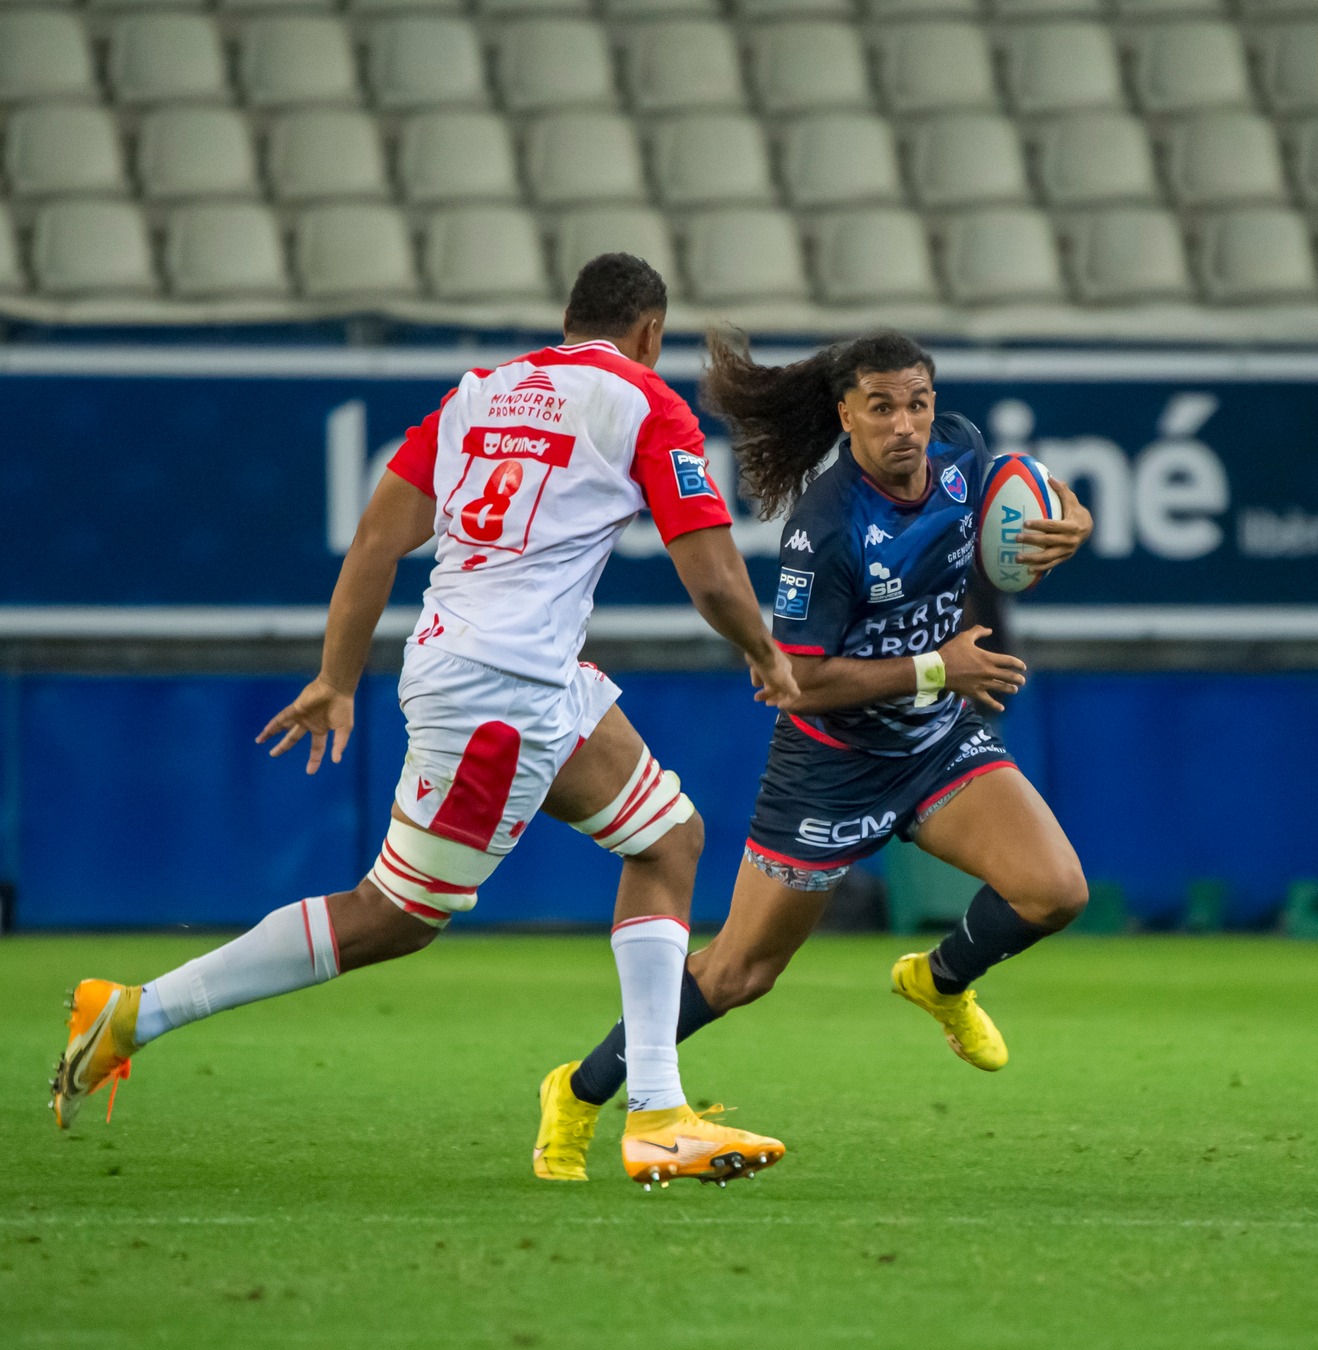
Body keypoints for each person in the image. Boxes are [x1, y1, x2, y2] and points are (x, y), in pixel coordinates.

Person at [52, 254, 800, 1190]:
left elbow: (376, 538)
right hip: (502, 695)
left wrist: (336, 678)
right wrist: (763, 651)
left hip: (514, 673)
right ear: (649, 333)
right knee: (396, 915)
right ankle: (136, 1011)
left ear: (568, 322)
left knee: (668, 837)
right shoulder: (645, 400)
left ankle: (655, 1110)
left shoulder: (478, 395)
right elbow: (714, 574)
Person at [530, 329, 1095, 1180]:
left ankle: (939, 980)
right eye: (882, 407)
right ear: (846, 415)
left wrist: (1071, 520)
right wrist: (940, 666)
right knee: (738, 973)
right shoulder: (827, 526)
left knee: (1055, 890)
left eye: (917, 403)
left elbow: (1037, 494)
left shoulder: (961, 454)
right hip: (830, 770)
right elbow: (796, 681)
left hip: (934, 742)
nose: (905, 424)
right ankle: (577, 1090)